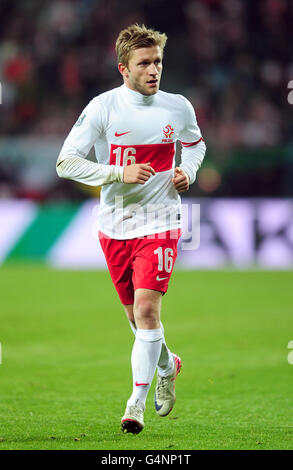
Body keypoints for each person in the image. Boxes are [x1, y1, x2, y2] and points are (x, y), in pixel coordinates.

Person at [56, 24, 206, 434]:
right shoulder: (103, 108)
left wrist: (187, 171)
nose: (154, 69)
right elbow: (66, 162)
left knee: (147, 310)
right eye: (144, 63)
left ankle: (135, 404)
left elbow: (195, 144)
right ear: (124, 68)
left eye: (158, 61)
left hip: (162, 221)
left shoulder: (178, 107)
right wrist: (118, 171)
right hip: (115, 225)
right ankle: (168, 364)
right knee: (138, 322)